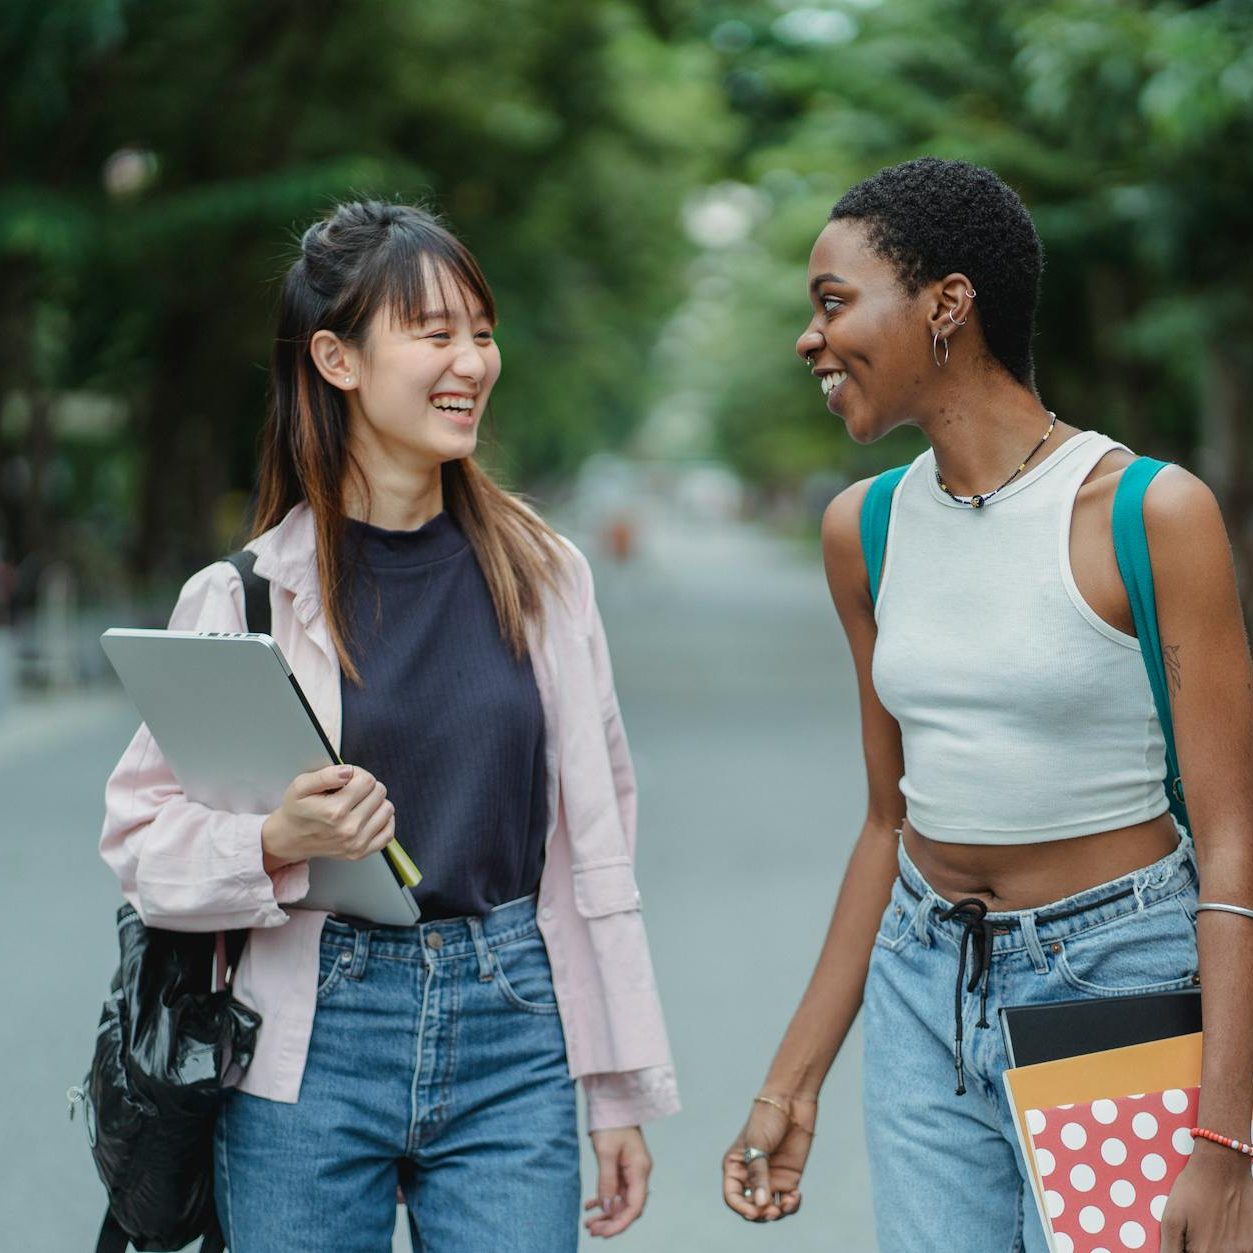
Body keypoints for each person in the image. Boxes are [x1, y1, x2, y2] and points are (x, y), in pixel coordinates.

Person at [100, 200, 679, 1252]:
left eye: (481, 332)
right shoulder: (243, 598)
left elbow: (599, 849)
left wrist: (615, 1087)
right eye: (434, 332)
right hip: (310, 1035)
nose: (472, 361)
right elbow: (139, 842)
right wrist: (275, 839)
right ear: (337, 359)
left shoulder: (545, 577)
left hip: (514, 1026)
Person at [719, 158, 1253, 1250]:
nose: (808, 339)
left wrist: (1224, 1138)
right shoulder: (862, 530)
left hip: (1116, 978)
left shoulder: (1148, 513)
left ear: (946, 304)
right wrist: (791, 1080)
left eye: (833, 302)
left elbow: (1235, 840)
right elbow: (887, 821)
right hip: (924, 985)